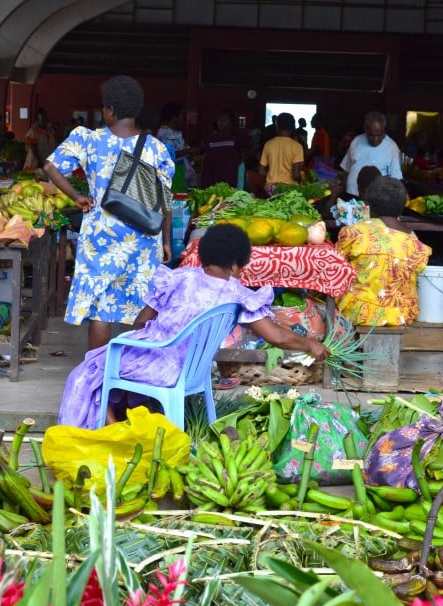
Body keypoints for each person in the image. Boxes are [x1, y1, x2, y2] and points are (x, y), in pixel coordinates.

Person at [58, 224, 329, 429]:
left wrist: (155, 333)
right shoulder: (238, 295)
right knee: (106, 367)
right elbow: (277, 336)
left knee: (88, 372)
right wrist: (311, 344)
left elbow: (141, 321)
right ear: (237, 265)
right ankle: (124, 426)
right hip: (191, 370)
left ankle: (112, 430)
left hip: (159, 364)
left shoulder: (179, 277)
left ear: (202, 256)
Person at [43, 75, 175, 351]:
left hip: (100, 237)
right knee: (140, 307)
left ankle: (97, 374)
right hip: (143, 238)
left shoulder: (89, 139)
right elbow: (165, 202)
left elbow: (50, 167)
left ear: (110, 110)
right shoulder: (157, 148)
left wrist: (78, 197)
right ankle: (133, 374)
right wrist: (165, 242)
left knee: (101, 310)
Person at [336, 177, 432, 326]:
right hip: (401, 314)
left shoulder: (355, 233)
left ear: (368, 205)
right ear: (402, 205)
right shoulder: (417, 245)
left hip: (359, 312)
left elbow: (335, 266)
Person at [340, 111, 403, 196]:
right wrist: (344, 194)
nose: (375, 139)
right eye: (371, 135)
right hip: (350, 196)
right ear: (365, 130)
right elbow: (346, 170)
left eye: (379, 135)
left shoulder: (392, 148)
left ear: (383, 130)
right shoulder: (356, 141)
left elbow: (396, 180)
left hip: (372, 203)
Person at [258, 112, 303, 194]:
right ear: (292, 128)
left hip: (271, 189)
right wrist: (302, 181)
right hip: (290, 189)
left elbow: (261, 172)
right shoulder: (297, 146)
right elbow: (296, 175)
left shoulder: (268, 144)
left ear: (277, 126)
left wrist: (273, 175)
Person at [200, 109, 245, 188]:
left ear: (231, 122)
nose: (221, 123)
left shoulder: (236, 137)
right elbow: (203, 152)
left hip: (228, 178)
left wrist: (240, 160)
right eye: (219, 120)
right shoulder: (211, 138)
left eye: (224, 120)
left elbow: (250, 147)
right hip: (211, 179)